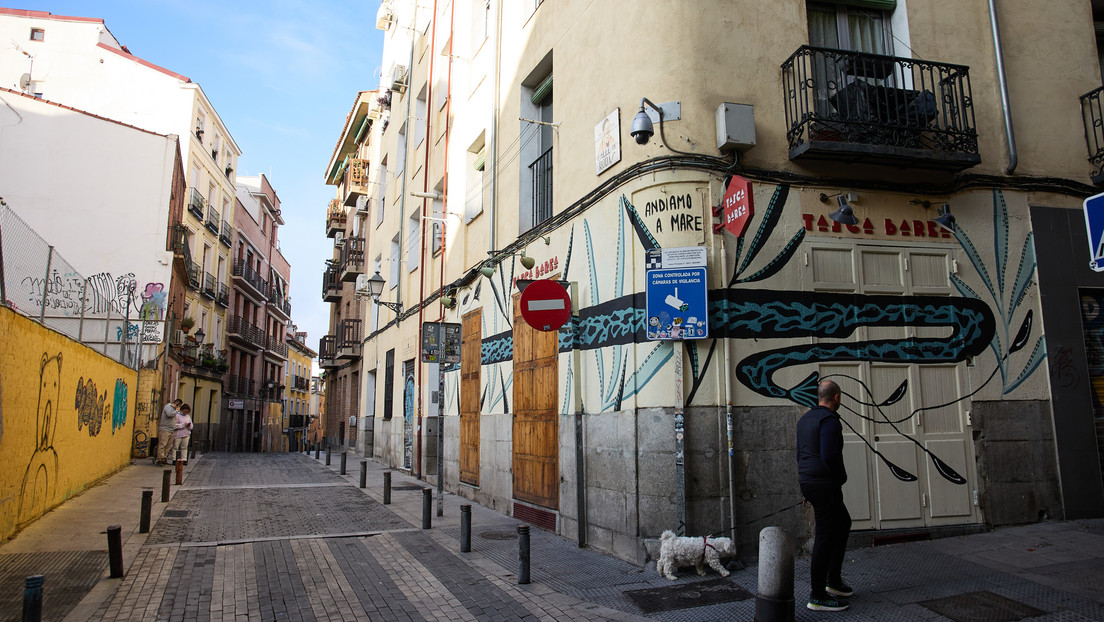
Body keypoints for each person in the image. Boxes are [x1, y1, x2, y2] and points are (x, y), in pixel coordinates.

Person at [796, 380, 853, 612]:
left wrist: (807, 485)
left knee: (842, 523)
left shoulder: (805, 419)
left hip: (810, 482)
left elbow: (800, 455)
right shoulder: (829, 421)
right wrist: (841, 477)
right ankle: (818, 594)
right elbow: (829, 455)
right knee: (825, 535)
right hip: (824, 484)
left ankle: (834, 581)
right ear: (836, 398)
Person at [157, 399, 182, 465]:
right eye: (179, 406)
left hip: (171, 430)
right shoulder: (167, 407)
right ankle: (160, 458)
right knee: (163, 444)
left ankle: (164, 457)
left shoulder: (174, 410)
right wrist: (176, 411)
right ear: (177, 404)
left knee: (169, 445)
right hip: (165, 429)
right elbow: (169, 414)